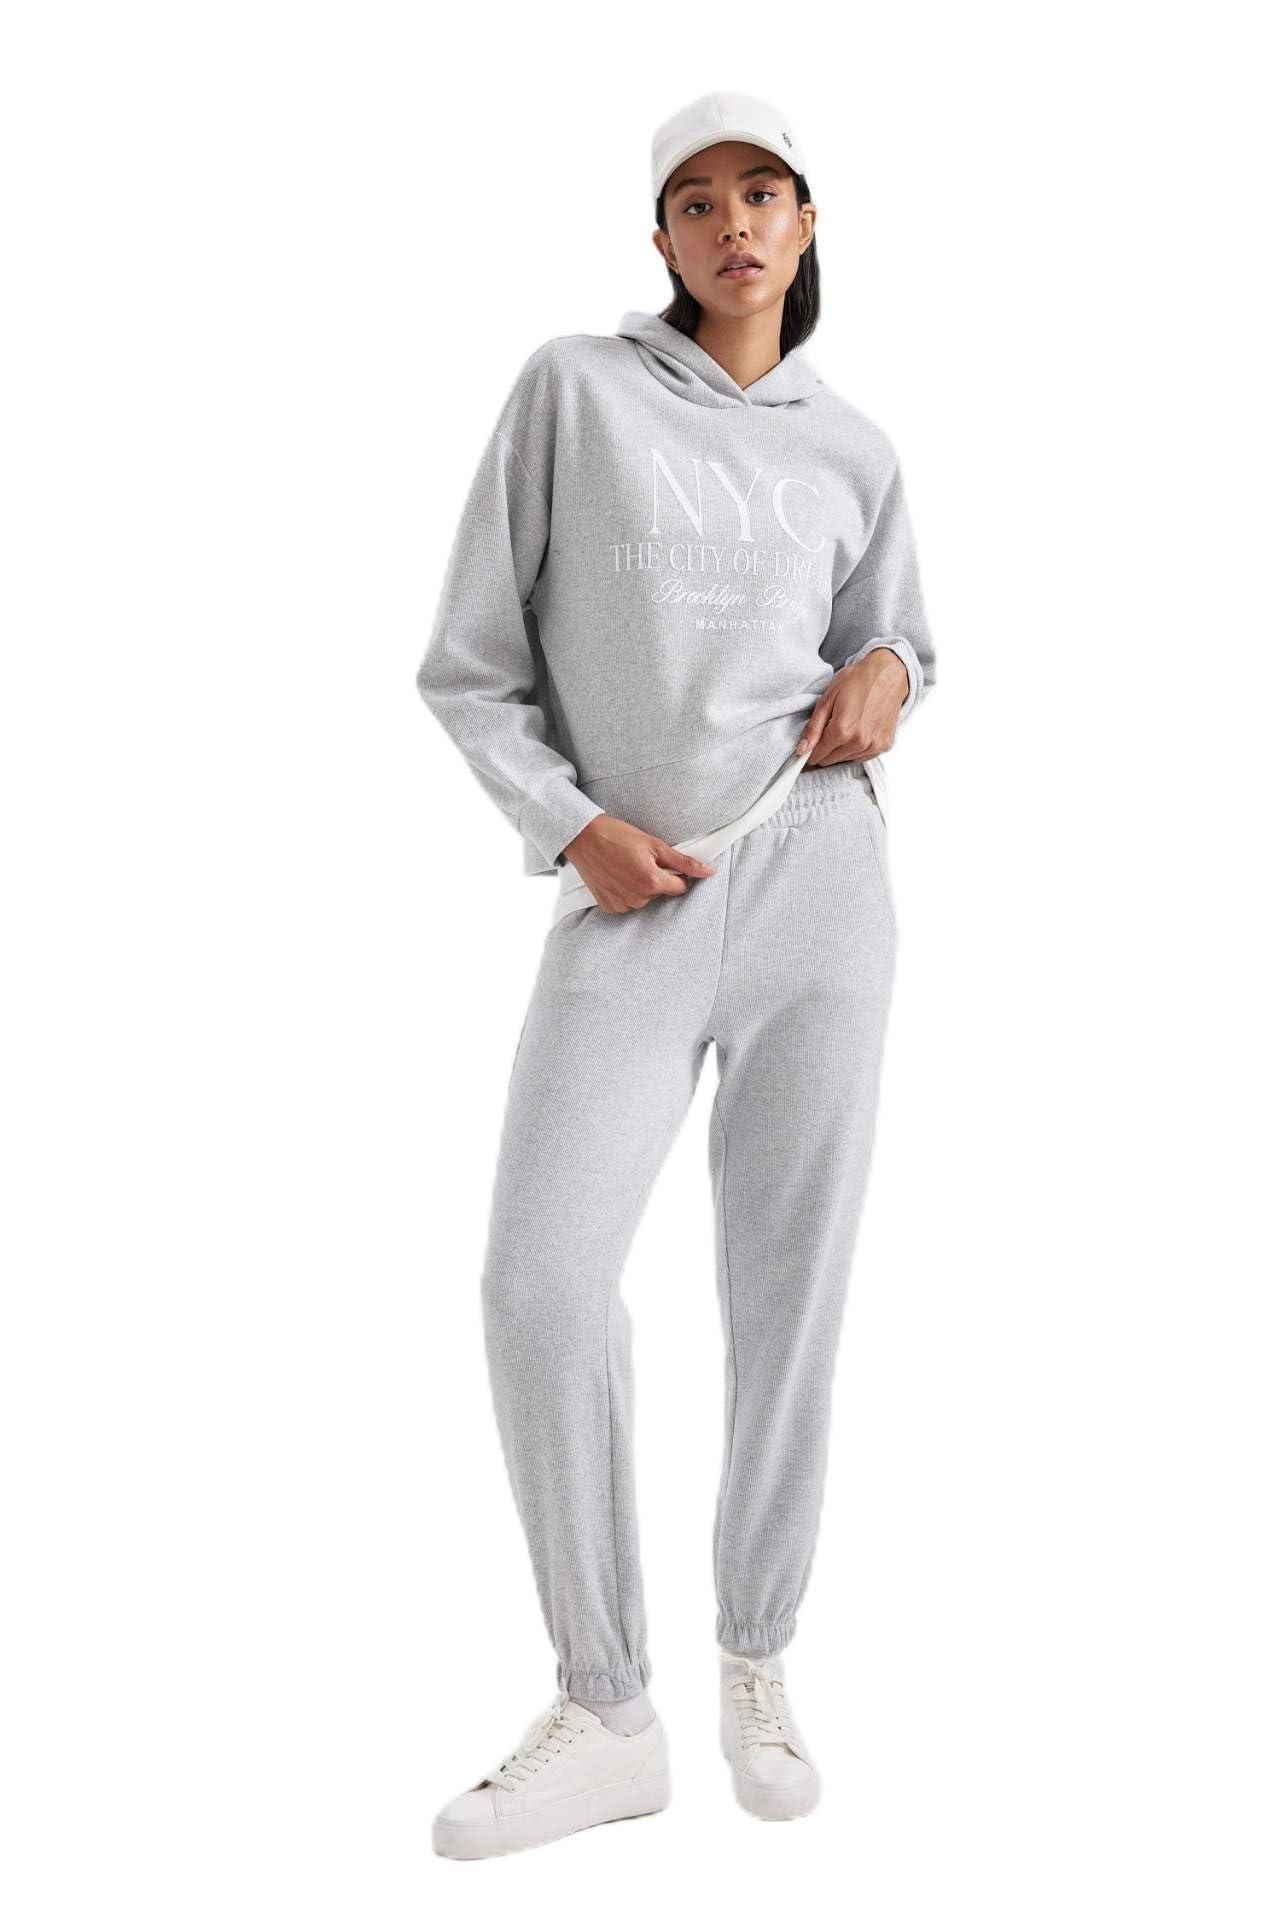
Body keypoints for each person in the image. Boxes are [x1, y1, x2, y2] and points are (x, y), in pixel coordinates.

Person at [416, 90, 937, 1860]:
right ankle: (607, 1704)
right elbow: (468, 667)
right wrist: (572, 828)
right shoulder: (574, 392)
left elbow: (896, 635)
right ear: (660, 239)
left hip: (823, 881)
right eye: (697, 201)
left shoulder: (855, 446)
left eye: (764, 193)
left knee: (791, 1290)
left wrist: (892, 670)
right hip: (635, 887)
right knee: (540, 1283)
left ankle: (756, 1656)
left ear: (807, 226)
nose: (733, 223)